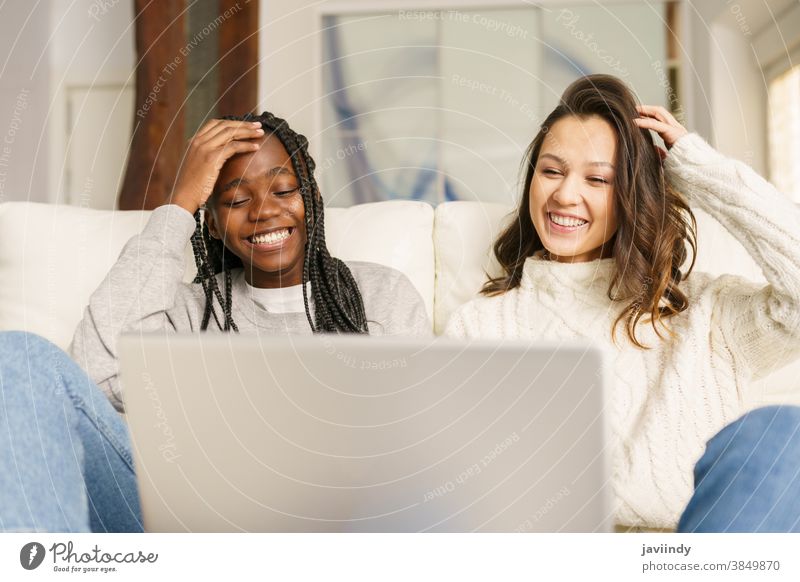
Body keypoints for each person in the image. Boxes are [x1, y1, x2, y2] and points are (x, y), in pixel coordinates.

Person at [0, 112, 429, 532]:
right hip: (191, 523)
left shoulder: (379, 296)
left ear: (313, 198)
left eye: (283, 190)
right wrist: (179, 204)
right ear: (213, 225)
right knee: (19, 354)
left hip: (335, 519)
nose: (263, 211)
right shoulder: (190, 311)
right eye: (237, 201)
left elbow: (413, 438)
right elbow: (95, 372)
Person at [445, 74, 800, 532]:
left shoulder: (709, 312)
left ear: (633, 195)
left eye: (597, 178)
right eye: (551, 171)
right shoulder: (481, 327)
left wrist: (698, 165)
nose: (565, 195)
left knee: (781, 433)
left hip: (693, 556)